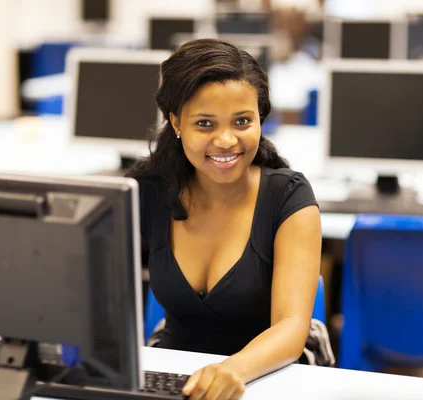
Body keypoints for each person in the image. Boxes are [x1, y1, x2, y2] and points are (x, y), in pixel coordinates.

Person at [128, 39, 322, 400]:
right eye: (205, 123)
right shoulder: (150, 193)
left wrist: (232, 369)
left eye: (242, 121)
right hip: (174, 376)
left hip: (270, 377)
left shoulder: (288, 197)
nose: (227, 140)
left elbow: (292, 327)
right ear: (176, 122)